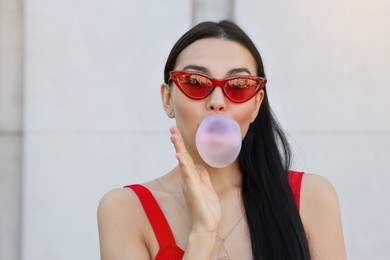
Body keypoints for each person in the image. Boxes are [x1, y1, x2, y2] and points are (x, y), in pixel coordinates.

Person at [98, 20, 346, 260]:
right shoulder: (126, 210)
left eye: (238, 85)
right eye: (195, 82)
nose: (217, 101)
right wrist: (202, 235)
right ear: (167, 99)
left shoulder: (313, 198)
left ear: (256, 105)